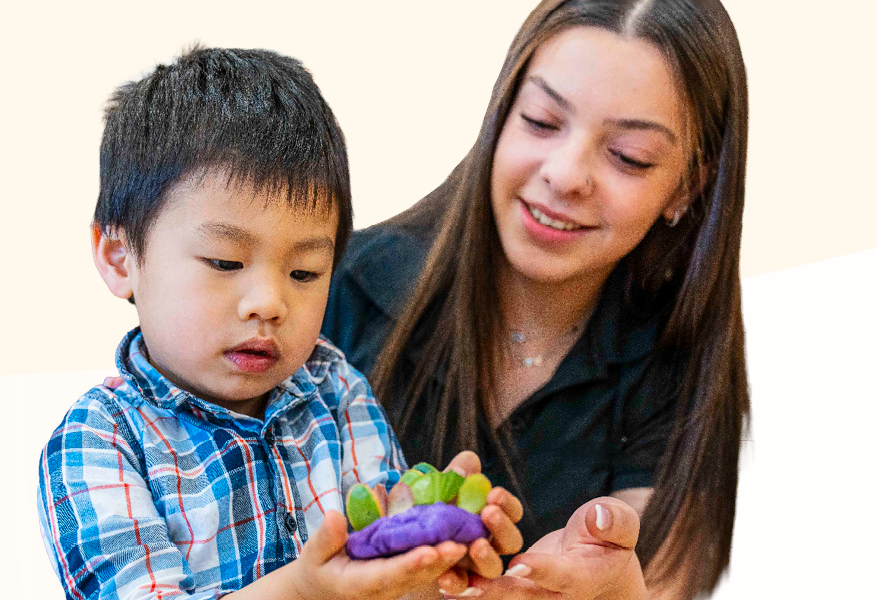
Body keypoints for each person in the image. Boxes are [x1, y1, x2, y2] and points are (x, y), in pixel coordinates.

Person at [36, 47, 520, 600]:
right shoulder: (99, 441)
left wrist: (432, 558)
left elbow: (384, 563)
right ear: (120, 257)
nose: (268, 303)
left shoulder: (335, 389)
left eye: (305, 271)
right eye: (225, 263)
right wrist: (307, 590)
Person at [323, 1, 750, 597]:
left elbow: (662, 583)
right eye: (543, 121)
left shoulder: (675, 364)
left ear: (686, 187)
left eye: (628, 156)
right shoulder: (329, 291)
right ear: (500, 115)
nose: (566, 173)